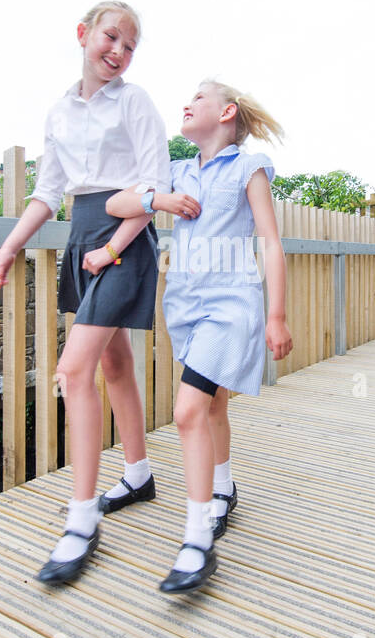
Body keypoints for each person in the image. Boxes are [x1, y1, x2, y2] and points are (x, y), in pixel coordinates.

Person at [0, 1, 170, 585]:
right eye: (112, 37)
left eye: (131, 45)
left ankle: (82, 519)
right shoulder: (58, 111)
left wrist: (113, 249)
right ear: (84, 33)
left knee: (71, 371)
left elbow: (155, 186)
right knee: (114, 366)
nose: (119, 52)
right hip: (81, 232)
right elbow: (48, 191)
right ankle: (137, 474)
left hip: (123, 234)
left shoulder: (135, 101)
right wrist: (10, 247)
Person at [105, 80, 292, 593]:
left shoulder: (248, 168)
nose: (185, 105)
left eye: (198, 100)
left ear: (226, 112)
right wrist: (158, 198)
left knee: (188, 410)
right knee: (212, 407)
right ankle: (225, 489)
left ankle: (197, 538)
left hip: (230, 307)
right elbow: (117, 205)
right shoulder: (177, 172)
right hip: (184, 308)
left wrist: (276, 315)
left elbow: (270, 244)